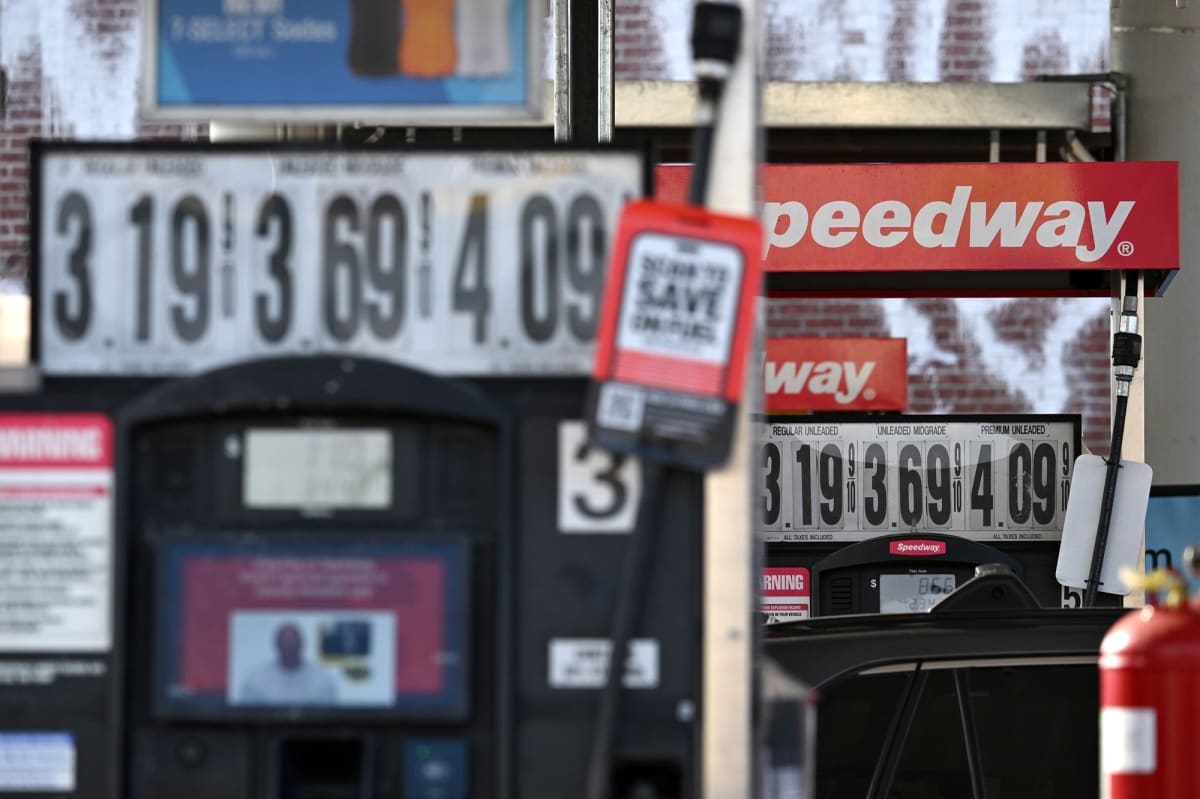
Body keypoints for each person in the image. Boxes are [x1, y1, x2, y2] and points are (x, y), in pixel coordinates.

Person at [238, 623, 338, 705]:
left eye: (292, 643)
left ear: (301, 644)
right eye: (285, 643)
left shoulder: (322, 681)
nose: (289, 647)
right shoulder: (256, 681)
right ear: (277, 645)